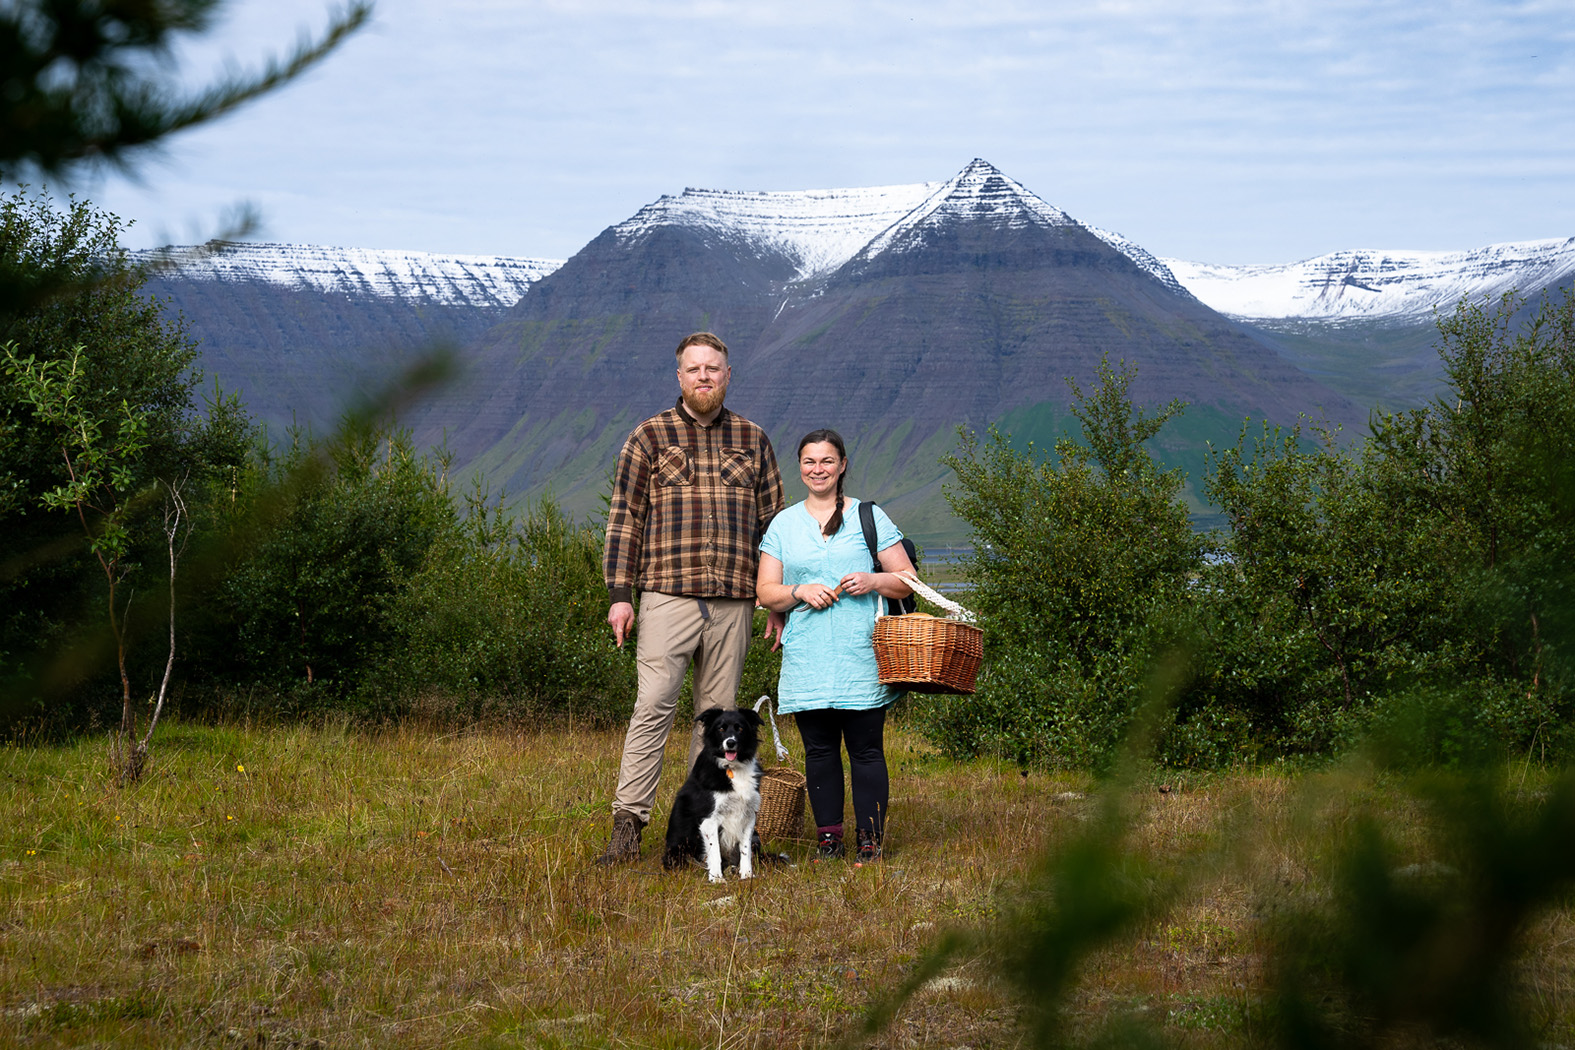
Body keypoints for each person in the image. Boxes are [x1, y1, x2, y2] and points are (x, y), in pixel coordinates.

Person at [596, 331, 787, 866]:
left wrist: (775, 600)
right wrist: (620, 594)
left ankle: (698, 839)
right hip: (665, 597)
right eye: (694, 368)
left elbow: (774, 528)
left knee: (716, 722)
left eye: (714, 368)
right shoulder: (649, 437)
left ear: (728, 375)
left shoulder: (753, 439)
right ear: (679, 376)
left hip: (732, 603)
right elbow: (624, 518)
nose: (704, 376)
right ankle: (627, 827)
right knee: (653, 707)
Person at [755, 429, 915, 863]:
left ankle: (870, 840)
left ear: (842, 465)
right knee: (819, 751)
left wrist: (872, 580)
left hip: (861, 654)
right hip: (807, 657)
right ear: (800, 467)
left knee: (866, 751)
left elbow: (906, 579)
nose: (817, 469)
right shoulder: (784, 524)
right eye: (809, 461)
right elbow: (766, 592)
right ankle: (829, 839)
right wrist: (800, 590)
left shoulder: (869, 516)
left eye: (827, 461)